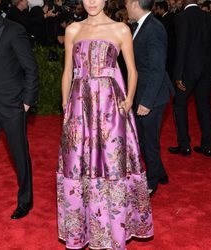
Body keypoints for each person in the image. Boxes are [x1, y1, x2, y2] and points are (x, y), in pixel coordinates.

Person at [56, 0, 153, 249]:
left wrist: (129, 99)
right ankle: (83, 231)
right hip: (80, 110)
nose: (91, 2)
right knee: (78, 165)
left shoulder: (120, 29)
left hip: (111, 109)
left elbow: (132, 70)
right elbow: (67, 71)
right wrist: (66, 107)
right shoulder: (73, 30)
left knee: (111, 164)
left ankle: (113, 232)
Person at [0, 0, 38, 220]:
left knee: (19, 155)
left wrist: (26, 102)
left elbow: (30, 68)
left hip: (12, 105)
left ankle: (25, 201)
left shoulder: (14, 30)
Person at [125, 0, 174, 197]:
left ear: (135, 4)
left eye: (127, 3)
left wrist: (146, 101)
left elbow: (157, 69)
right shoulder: (143, 26)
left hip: (152, 96)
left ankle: (152, 181)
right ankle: (160, 173)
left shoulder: (153, 29)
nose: (125, 6)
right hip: (144, 93)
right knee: (144, 139)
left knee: (148, 141)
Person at [168, 0, 211, 157]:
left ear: (184, 2)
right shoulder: (210, 17)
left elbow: (182, 46)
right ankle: (207, 146)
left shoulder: (181, 17)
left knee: (179, 105)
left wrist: (178, 74)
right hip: (207, 72)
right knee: (204, 106)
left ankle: (184, 145)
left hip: (188, 72)